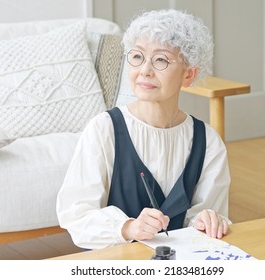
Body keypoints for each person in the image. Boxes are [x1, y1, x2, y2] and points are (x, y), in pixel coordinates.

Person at [56, 9, 231, 250]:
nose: (145, 70)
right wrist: (127, 227)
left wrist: (208, 220)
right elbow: (75, 214)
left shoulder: (208, 141)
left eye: (161, 60)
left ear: (188, 75)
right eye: (137, 57)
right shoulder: (104, 129)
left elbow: (207, 214)